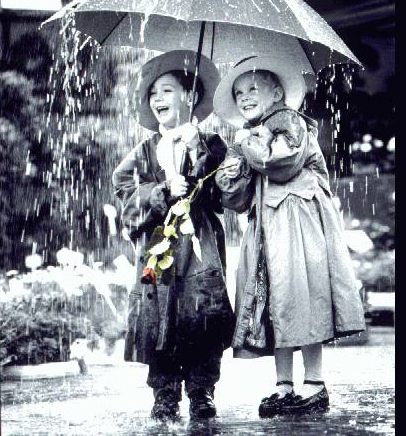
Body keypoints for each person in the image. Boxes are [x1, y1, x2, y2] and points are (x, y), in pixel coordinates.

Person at [213, 54, 366, 417]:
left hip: (300, 227)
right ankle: (284, 384)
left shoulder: (291, 123)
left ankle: (314, 382)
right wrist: (233, 160)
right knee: (275, 303)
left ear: (278, 93)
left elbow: (279, 163)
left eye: (253, 88)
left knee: (304, 295)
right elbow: (234, 197)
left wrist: (249, 145)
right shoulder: (248, 136)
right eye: (238, 93)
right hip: (266, 231)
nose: (244, 97)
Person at [112, 50, 234, 422]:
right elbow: (124, 192)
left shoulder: (211, 144)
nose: (158, 99)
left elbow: (226, 192)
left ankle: (201, 390)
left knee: (201, 314)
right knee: (158, 313)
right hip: (158, 247)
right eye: (153, 94)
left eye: (167, 90)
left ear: (190, 96)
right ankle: (164, 393)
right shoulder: (145, 151)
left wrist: (198, 152)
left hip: (199, 246)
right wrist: (162, 191)